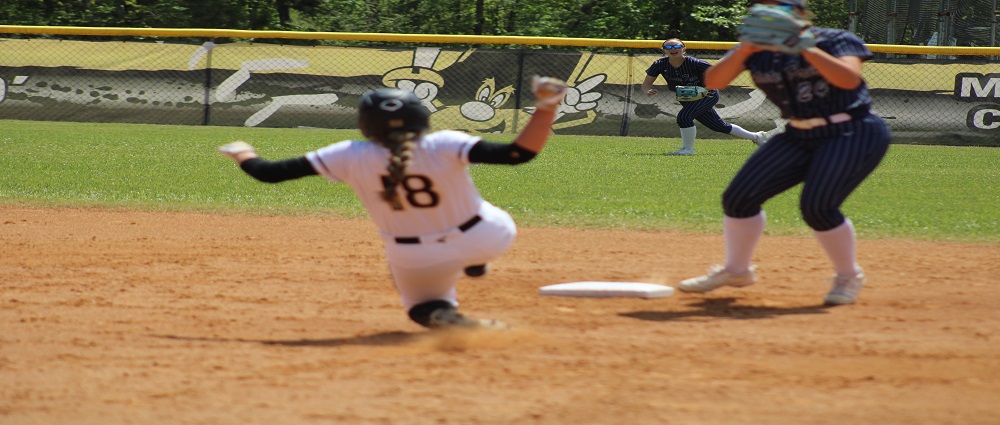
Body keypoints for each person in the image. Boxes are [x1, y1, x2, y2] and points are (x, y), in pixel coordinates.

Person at [217, 76, 569, 330]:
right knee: (480, 213)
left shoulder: (347, 155)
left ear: (366, 125)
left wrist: (243, 153)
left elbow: (269, 174)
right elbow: (518, 154)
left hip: (416, 257)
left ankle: (447, 309)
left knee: (421, 307)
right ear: (422, 118)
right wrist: (547, 106)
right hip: (489, 236)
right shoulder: (445, 143)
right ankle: (475, 261)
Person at [676, 0, 891, 306]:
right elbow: (714, 81)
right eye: (758, 11)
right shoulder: (760, 53)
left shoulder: (832, 39)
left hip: (852, 130)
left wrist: (805, 47)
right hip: (799, 133)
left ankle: (848, 275)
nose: (765, 16)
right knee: (739, 198)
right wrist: (746, 49)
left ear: (799, 13)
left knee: (818, 206)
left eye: (775, 8)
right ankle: (736, 270)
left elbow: (848, 79)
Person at [641, 38, 768, 155]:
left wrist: (704, 89)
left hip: (708, 94)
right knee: (718, 126)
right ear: (663, 51)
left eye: (677, 46)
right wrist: (648, 90)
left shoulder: (694, 63)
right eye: (668, 47)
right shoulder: (659, 64)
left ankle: (688, 149)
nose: (673, 49)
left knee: (684, 116)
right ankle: (756, 136)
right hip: (687, 98)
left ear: (683, 48)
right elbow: (646, 84)